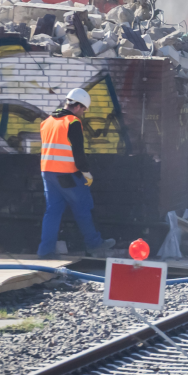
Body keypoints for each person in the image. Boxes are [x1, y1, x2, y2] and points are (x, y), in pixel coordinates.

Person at [37, 88, 115, 259]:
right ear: (78, 106)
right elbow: (77, 152)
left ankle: (45, 251)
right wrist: (86, 172)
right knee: (83, 208)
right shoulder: (72, 122)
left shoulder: (47, 122)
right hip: (67, 174)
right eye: (84, 109)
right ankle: (94, 245)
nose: (83, 113)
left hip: (47, 173)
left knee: (52, 212)